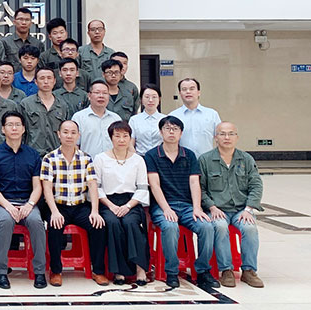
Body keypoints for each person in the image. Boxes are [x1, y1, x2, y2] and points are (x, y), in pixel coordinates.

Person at [145, 115, 219, 290]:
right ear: (161, 132)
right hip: (162, 206)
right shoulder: (151, 155)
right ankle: (171, 272)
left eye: (175, 129)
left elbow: (194, 183)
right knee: (170, 227)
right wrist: (166, 209)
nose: (171, 132)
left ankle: (203, 270)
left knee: (207, 227)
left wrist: (197, 208)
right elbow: (154, 185)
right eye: (167, 128)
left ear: (181, 133)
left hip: (187, 206)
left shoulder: (189, 155)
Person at [0, 111, 47, 290]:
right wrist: (8, 206)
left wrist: (30, 204)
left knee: (36, 221)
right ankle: (1, 272)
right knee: (5, 220)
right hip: (1, 203)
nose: (14, 128)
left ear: (24, 129)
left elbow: (38, 187)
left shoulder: (33, 155)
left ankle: (39, 272)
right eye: (10, 125)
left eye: (18, 125)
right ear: (3, 129)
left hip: (27, 201)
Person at [40, 120, 109, 287]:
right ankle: (56, 271)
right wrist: (54, 212)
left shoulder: (86, 158)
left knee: (98, 225)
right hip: (58, 206)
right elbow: (46, 188)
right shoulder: (49, 158)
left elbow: (92, 185)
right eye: (65, 132)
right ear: (59, 134)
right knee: (55, 226)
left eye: (73, 132)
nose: (69, 136)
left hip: (80, 206)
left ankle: (98, 271)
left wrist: (95, 211)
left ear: (78, 135)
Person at [199, 122, 265, 288]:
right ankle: (226, 270)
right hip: (217, 209)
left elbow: (256, 185)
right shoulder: (205, 160)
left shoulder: (246, 159)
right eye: (222, 134)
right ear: (215, 137)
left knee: (250, 228)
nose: (226, 137)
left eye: (231, 134)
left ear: (237, 137)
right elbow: (200, 188)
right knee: (220, 227)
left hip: (241, 210)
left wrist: (248, 209)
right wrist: (211, 207)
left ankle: (249, 271)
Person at [93, 121, 150, 285]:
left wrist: (127, 206)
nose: (121, 139)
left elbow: (142, 188)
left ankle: (140, 268)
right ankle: (119, 271)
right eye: (117, 136)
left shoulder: (138, 160)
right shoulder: (100, 158)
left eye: (125, 136)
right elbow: (96, 188)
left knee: (131, 223)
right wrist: (111, 206)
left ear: (130, 138)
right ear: (111, 138)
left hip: (131, 202)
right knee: (112, 223)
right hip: (107, 202)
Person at [19, 67, 71, 156]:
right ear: (36, 82)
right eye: (42, 78)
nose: (46, 81)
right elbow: (21, 132)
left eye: (49, 78)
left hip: (57, 155)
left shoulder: (63, 105)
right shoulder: (26, 104)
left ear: (54, 81)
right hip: (32, 154)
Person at [169, 78, 222, 157]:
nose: (188, 92)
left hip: (207, 160)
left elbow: (220, 139)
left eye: (192, 89)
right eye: (184, 89)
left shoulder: (212, 114)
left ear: (198, 92)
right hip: (182, 160)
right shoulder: (173, 116)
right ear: (180, 93)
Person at [72, 80, 121, 159]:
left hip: (112, 163)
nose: (101, 96)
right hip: (88, 163)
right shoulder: (79, 118)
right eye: (97, 92)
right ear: (89, 95)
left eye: (105, 93)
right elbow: (74, 144)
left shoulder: (115, 118)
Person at [128, 84, 165, 156]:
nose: (150, 100)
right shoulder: (134, 120)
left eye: (154, 97)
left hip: (161, 158)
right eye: (147, 97)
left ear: (159, 99)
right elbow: (130, 143)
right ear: (141, 99)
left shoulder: (165, 119)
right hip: (141, 157)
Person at [3, 7, 44, 71]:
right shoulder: (5, 42)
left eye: (27, 20)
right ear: (14, 22)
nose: (24, 23)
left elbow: (41, 66)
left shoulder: (38, 44)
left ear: (31, 23)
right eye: (20, 19)